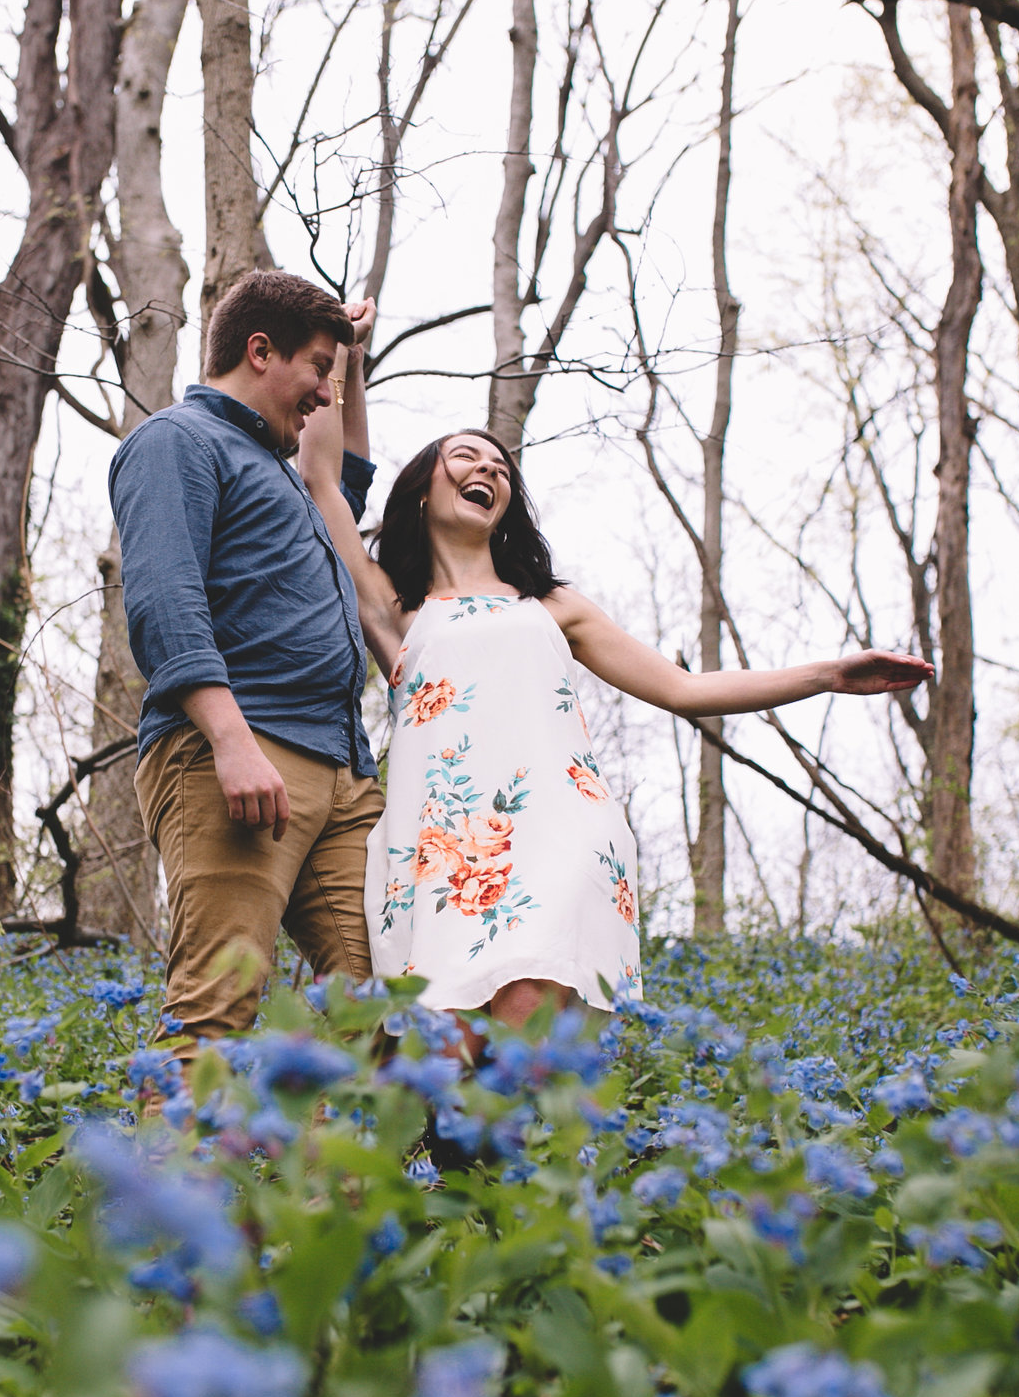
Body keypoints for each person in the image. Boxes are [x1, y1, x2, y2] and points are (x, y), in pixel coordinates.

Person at [297, 310, 935, 1028]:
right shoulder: (396, 608)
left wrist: (825, 675)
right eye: (469, 457)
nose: (490, 470)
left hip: (556, 835)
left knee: (527, 1006)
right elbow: (320, 478)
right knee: (447, 1051)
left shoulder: (551, 604)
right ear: (422, 490)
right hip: (441, 852)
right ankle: (467, 1143)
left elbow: (684, 688)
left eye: (501, 468)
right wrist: (344, 354)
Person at [111, 271, 386, 1048]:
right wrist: (230, 741)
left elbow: (349, 478)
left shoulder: (285, 475)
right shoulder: (177, 441)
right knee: (213, 1011)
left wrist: (352, 356)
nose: (326, 395)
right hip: (236, 754)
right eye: (317, 370)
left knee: (383, 1016)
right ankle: (165, 1175)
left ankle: (342, 1173)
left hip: (341, 770)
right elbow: (165, 598)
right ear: (260, 351)